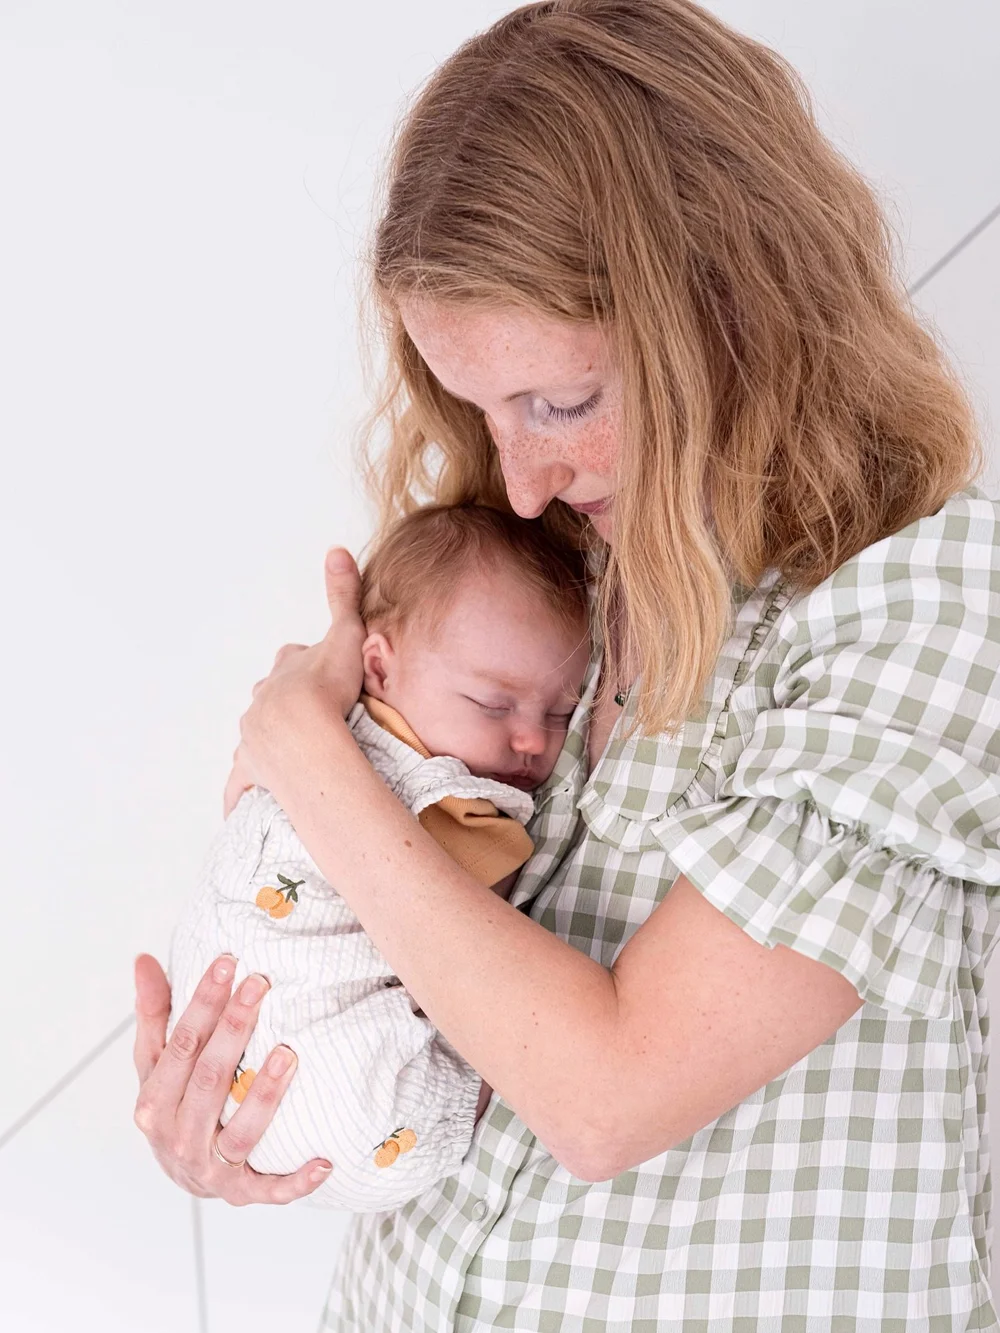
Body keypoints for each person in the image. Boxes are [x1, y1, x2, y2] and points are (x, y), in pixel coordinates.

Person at [132, 0, 1000, 1327]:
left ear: (733, 304)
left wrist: (314, 756)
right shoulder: (543, 579)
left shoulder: (928, 598)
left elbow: (605, 1095)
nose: (521, 478)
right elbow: (335, 917)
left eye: (563, 401)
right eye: (481, 408)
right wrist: (256, 1106)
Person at [164, 503, 589, 1211]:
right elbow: (470, 939)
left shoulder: (300, 721)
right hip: (367, 1112)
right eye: (494, 704)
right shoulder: (450, 800)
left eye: (559, 712)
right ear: (378, 666)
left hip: (227, 1080)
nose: (531, 740)